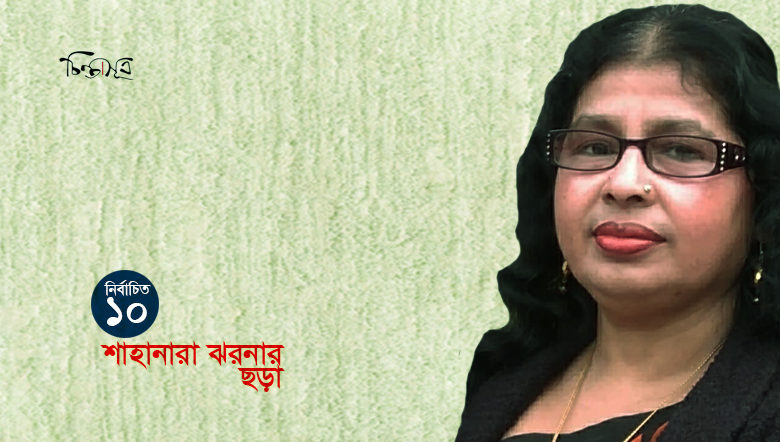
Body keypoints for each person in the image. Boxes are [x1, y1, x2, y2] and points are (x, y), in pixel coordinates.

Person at [455, 5, 780, 441]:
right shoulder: (504, 377)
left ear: (761, 188)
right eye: (594, 147)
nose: (624, 184)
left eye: (682, 150)